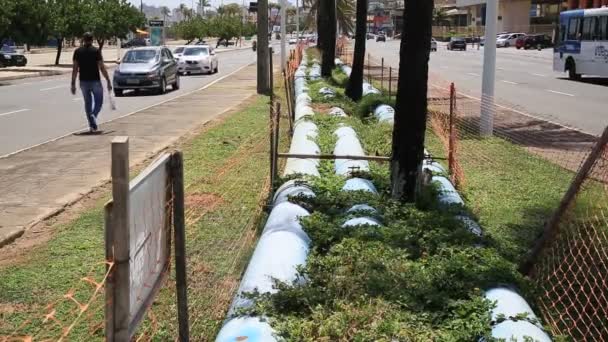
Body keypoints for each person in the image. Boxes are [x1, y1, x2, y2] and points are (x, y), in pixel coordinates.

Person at [71, 32, 112, 133]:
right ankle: (93, 116)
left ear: (83, 40)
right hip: (95, 81)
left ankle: (91, 124)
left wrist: (73, 83)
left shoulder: (77, 51)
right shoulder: (96, 51)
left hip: (83, 81)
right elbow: (102, 67)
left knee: (87, 103)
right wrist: (108, 80)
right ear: (92, 39)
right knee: (99, 101)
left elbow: (75, 68)